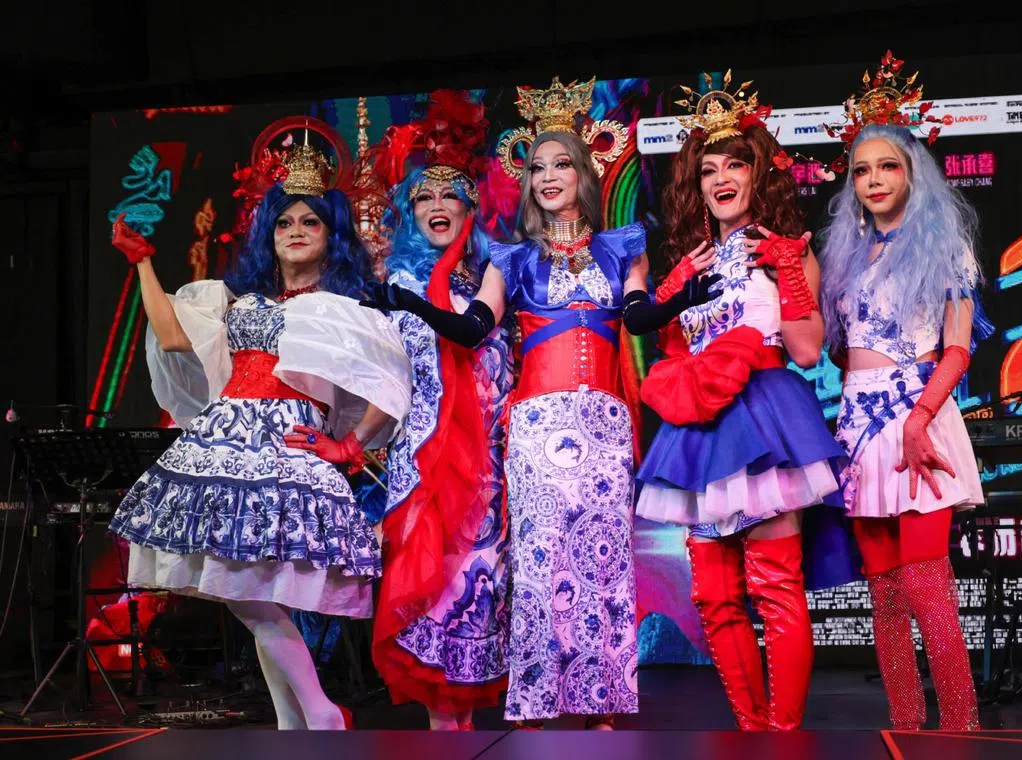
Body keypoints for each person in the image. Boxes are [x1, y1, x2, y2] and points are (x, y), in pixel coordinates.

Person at [107, 134, 412, 730]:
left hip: (283, 448)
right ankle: (302, 723)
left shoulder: (342, 308)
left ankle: (317, 716)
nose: (295, 231)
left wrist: (349, 444)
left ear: (331, 237)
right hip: (224, 443)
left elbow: (389, 385)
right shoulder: (237, 301)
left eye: (311, 223)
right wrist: (142, 262)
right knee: (250, 598)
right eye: (284, 223)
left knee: (252, 593)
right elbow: (173, 337)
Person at [362, 76, 640, 729]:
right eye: (537, 165)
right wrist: (413, 309)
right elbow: (443, 347)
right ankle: (518, 708)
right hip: (486, 452)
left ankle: (593, 702)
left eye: (562, 162)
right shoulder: (481, 270)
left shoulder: (597, 252)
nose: (548, 176)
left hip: (552, 446)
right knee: (523, 579)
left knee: (592, 566)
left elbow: (633, 313)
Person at [629, 72, 858, 731]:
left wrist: (787, 268)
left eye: (736, 164)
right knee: (714, 599)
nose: (722, 178)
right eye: (708, 169)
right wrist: (676, 289)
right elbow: (669, 347)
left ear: (761, 175)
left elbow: (810, 350)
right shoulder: (688, 260)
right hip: (701, 432)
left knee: (776, 590)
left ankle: (783, 736)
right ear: (694, 184)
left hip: (763, 421)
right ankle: (752, 734)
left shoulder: (787, 253)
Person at [818, 51, 991, 732]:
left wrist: (920, 419)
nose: (874, 179)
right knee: (884, 598)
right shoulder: (847, 255)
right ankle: (905, 726)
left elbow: (957, 348)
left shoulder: (945, 247)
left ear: (912, 170)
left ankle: (961, 727)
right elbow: (838, 349)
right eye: (861, 170)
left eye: (888, 165)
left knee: (926, 587)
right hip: (859, 426)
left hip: (917, 415)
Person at [358, 90, 513, 731]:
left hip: (486, 465)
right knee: (426, 588)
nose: (437, 206)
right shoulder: (391, 285)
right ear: (407, 209)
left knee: (477, 586)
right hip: (422, 459)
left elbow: (487, 343)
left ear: (470, 209)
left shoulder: (494, 274)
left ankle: (465, 733)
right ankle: (439, 735)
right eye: (423, 197)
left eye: (451, 196)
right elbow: (372, 377)